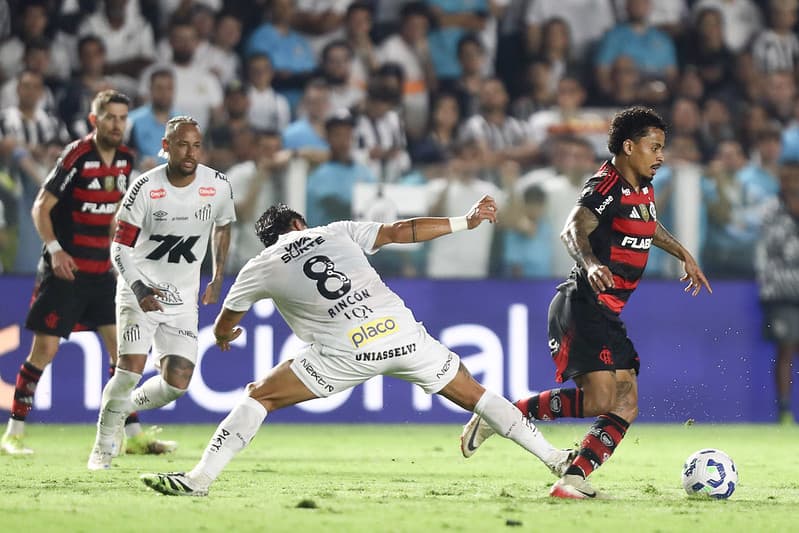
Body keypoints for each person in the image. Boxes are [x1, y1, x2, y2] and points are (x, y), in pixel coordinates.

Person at [139, 198, 576, 496]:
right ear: (299, 224)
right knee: (476, 394)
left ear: (270, 238)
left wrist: (222, 336)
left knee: (260, 396)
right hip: (401, 336)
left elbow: (226, 320)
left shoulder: (261, 264)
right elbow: (401, 231)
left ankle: (200, 479)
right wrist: (466, 221)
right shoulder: (336, 232)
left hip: (344, 353)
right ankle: (556, 459)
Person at [459, 106, 712, 499]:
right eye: (654, 147)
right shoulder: (605, 186)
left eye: (662, 147)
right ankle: (502, 414)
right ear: (629, 147)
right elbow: (572, 229)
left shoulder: (642, 186)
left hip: (607, 313)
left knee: (626, 404)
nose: (661, 156)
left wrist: (683, 253)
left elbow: (647, 224)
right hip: (582, 306)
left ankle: (572, 480)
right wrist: (592, 263)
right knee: (601, 400)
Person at [0, 90, 170, 456]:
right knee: (43, 351)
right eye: (110, 117)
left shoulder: (125, 160)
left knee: (122, 354)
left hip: (102, 274)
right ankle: (13, 434)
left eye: (122, 118)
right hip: (66, 272)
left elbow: (114, 217)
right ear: (95, 120)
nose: (117, 125)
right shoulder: (77, 155)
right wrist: (55, 250)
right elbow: (40, 207)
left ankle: (134, 436)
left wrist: (120, 257)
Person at [87, 115, 236, 470]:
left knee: (178, 383)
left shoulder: (217, 185)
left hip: (183, 297)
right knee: (129, 372)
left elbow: (223, 226)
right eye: (182, 145)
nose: (190, 153)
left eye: (196, 145)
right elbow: (119, 248)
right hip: (139, 290)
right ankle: (102, 448)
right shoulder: (145, 188)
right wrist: (139, 289)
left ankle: (119, 409)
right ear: (166, 146)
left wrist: (217, 276)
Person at [755, 161, 799, 424]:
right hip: (781, 291)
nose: (792, 183)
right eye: (787, 178)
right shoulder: (770, 209)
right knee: (786, 347)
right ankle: (783, 410)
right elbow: (774, 246)